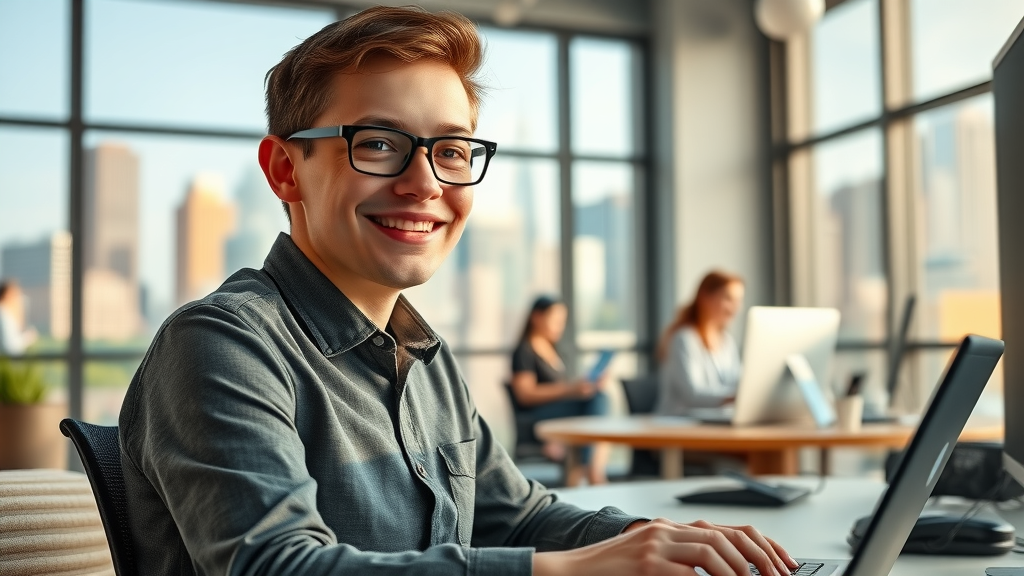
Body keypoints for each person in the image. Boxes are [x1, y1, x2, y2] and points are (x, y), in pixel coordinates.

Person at [118, 7, 797, 576]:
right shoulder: (221, 344)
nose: (425, 184)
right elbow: (279, 566)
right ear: (285, 170)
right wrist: (561, 571)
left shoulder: (425, 360)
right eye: (379, 143)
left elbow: (520, 515)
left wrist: (675, 544)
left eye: (451, 150)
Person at [510, 295, 611, 487]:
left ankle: (586, 468)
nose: (560, 326)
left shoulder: (555, 350)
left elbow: (564, 390)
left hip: (560, 412)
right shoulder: (524, 351)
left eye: (562, 321)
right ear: (537, 317)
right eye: (555, 320)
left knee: (597, 397)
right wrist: (570, 389)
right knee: (597, 401)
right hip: (537, 415)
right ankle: (589, 469)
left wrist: (584, 387)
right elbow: (525, 395)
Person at [656, 271, 745, 416]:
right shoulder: (683, 339)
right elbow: (692, 394)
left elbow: (736, 380)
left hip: (716, 422)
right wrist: (734, 397)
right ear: (705, 297)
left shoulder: (727, 341)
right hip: (680, 425)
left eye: (739, 300)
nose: (735, 308)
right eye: (728, 299)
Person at [0, 280, 36, 356]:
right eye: (15, 295)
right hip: (6, 364)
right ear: (7, 295)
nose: (17, 299)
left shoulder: (7, 313)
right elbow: (11, 346)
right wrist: (28, 337)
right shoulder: (3, 314)